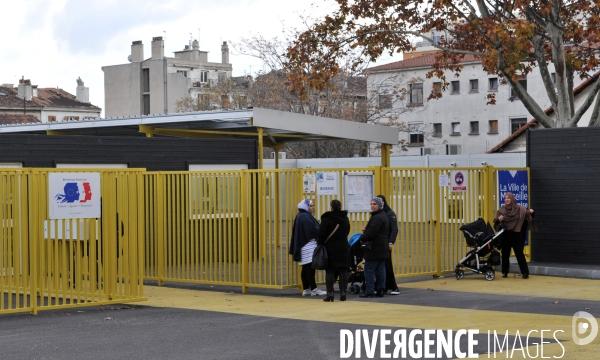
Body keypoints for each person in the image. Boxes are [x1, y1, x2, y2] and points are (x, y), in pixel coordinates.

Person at [289, 199, 327, 296]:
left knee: (305, 269)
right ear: (306, 207)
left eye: (313, 206)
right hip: (308, 246)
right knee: (310, 269)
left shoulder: (300, 216)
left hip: (303, 246)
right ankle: (314, 289)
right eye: (311, 206)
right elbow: (312, 231)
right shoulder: (305, 217)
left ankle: (306, 289)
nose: (312, 208)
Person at [494, 192, 535, 279]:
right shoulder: (501, 210)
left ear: (512, 199)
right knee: (505, 254)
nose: (507, 199)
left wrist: (531, 212)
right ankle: (504, 272)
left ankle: (525, 272)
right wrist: (499, 219)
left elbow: (528, 215)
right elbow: (496, 222)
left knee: (519, 253)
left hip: (516, 234)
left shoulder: (520, 209)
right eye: (505, 198)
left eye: (508, 198)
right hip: (506, 234)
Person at [317, 200, 350, 302]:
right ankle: (343, 293)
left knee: (330, 270)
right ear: (340, 207)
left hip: (330, 247)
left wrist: (321, 243)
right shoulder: (345, 218)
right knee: (343, 270)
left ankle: (330, 294)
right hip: (343, 246)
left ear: (331, 207)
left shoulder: (327, 219)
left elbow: (321, 234)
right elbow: (347, 231)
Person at [358, 197, 390, 298]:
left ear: (379, 205)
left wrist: (362, 236)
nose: (372, 206)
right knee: (380, 269)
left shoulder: (376, 218)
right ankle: (381, 289)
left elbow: (372, 233)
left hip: (374, 248)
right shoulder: (383, 215)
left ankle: (370, 290)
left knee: (369, 269)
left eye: (375, 204)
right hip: (382, 247)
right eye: (371, 204)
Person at [376, 195, 400, 295]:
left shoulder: (389, 213)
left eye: (381, 201)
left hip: (386, 243)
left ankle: (393, 286)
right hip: (379, 242)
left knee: (387, 265)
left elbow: (394, 229)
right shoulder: (378, 213)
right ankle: (383, 286)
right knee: (380, 265)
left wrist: (391, 241)